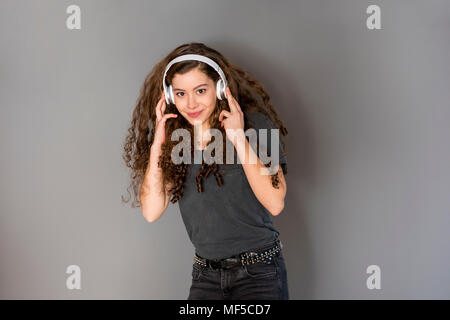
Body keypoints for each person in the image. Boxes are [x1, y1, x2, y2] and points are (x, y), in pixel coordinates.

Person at [122, 42, 290, 300]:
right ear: (169, 96)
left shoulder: (255, 126)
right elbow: (152, 211)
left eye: (200, 90)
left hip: (259, 272)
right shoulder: (176, 140)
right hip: (206, 275)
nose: (190, 103)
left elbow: (275, 202)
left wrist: (237, 138)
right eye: (180, 94)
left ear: (220, 87)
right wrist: (157, 146)